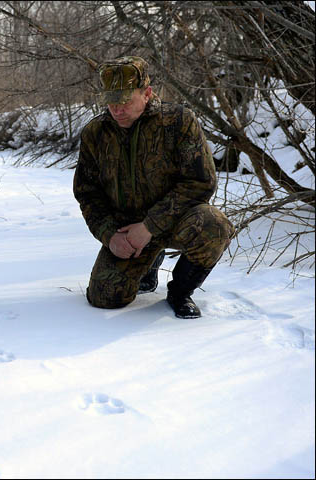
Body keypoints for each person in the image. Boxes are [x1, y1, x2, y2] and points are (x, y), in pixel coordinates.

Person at [73, 56, 234, 319]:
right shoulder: (96, 134)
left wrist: (149, 226)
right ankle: (148, 265)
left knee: (215, 225)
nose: (117, 110)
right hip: (125, 230)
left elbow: (200, 182)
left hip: (176, 220)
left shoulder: (178, 122)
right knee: (105, 297)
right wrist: (110, 236)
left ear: (146, 93)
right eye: (111, 102)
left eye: (125, 101)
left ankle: (181, 292)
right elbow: (87, 193)